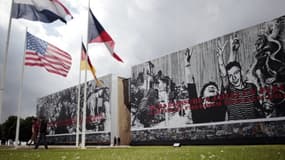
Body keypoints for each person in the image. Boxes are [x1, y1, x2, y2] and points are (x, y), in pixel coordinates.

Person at [216, 36, 264, 120]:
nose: (233, 78)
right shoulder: (229, 90)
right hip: (236, 130)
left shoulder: (251, 87)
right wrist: (221, 58)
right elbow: (224, 73)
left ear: (241, 73)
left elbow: (258, 108)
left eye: (236, 73)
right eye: (230, 76)